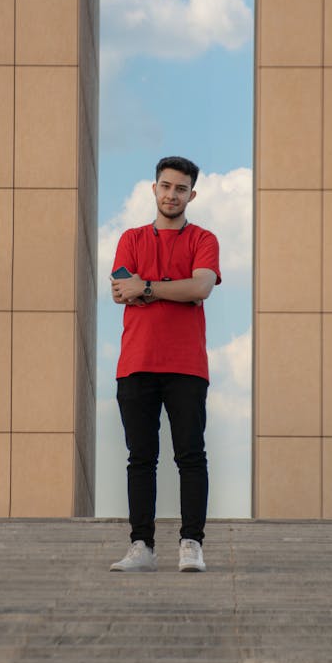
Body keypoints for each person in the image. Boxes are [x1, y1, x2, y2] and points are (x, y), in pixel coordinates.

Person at [109, 155, 221, 573]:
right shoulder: (131, 239)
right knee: (141, 458)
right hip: (136, 362)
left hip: (187, 364)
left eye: (180, 189)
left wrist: (149, 287)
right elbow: (122, 290)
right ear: (153, 188)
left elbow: (203, 286)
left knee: (190, 455)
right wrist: (178, 289)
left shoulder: (203, 239)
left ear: (191, 194)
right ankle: (142, 545)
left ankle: (191, 543)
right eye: (165, 186)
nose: (172, 194)